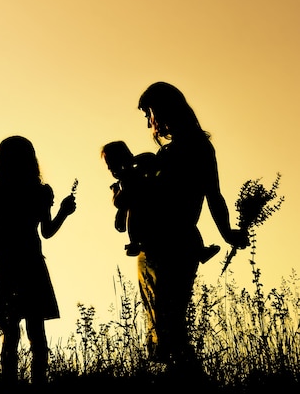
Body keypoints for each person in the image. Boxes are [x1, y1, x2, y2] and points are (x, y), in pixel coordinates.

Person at [134, 82, 249, 376]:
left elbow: (213, 195)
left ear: (162, 112)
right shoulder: (184, 150)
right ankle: (183, 379)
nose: (149, 122)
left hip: (175, 245)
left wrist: (228, 232)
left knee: (171, 326)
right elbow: (213, 195)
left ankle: (190, 380)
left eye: (149, 114)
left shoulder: (194, 148)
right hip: (162, 245)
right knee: (168, 325)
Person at [0, 135, 76, 385]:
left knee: (9, 332)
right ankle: (38, 383)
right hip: (30, 264)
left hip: (4, 266)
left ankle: (8, 382)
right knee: (36, 330)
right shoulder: (39, 192)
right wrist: (64, 212)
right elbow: (47, 231)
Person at [101, 140, 220, 261]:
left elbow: (120, 202)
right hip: (150, 219)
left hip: (158, 213)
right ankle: (135, 242)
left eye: (112, 164)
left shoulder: (132, 176)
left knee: (183, 222)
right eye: (109, 167)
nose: (112, 170)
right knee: (181, 224)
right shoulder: (126, 180)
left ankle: (135, 242)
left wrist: (116, 193)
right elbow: (122, 206)